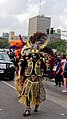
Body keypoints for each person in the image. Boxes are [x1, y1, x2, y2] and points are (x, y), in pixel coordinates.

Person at [19, 32, 47, 116]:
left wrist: (43, 74)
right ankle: (27, 108)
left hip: (37, 81)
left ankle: (37, 104)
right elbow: (23, 67)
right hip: (29, 80)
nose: (34, 55)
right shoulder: (27, 60)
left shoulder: (41, 61)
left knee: (37, 95)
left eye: (36, 54)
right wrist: (21, 76)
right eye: (33, 54)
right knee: (27, 94)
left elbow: (44, 69)